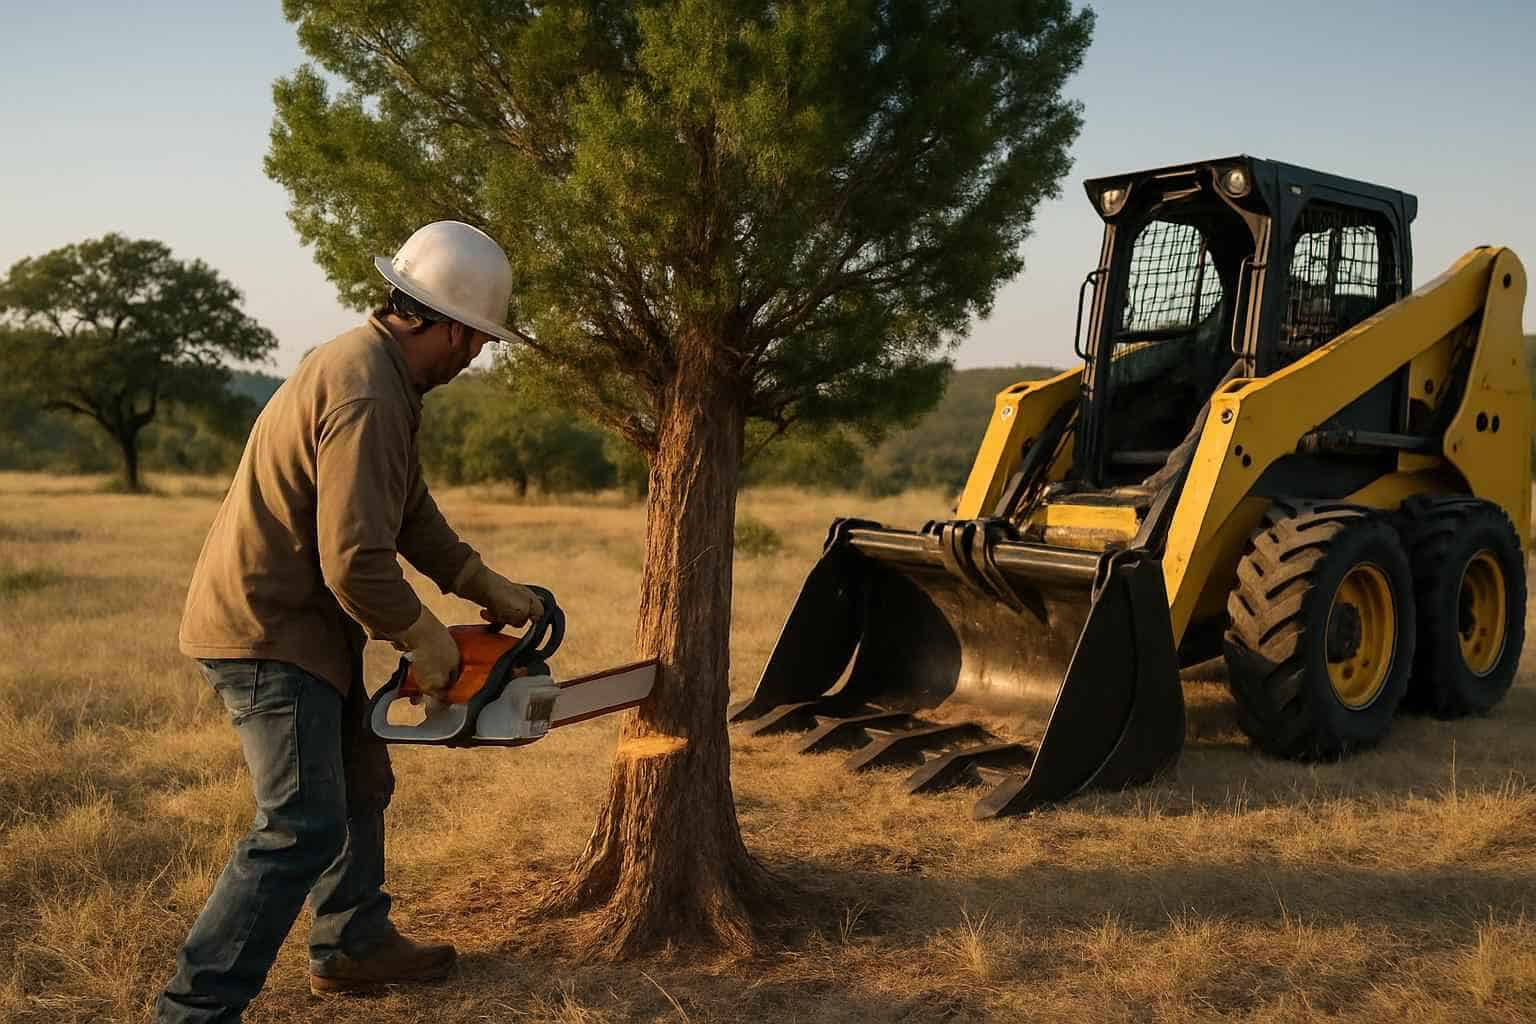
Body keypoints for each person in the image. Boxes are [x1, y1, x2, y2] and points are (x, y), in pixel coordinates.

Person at [156, 221, 541, 1021]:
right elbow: (354, 562)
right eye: (473, 340)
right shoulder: (368, 386)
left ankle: (354, 944)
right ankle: (194, 1009)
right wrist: (427, 639)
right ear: (442, 321)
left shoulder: (379, 373)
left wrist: (477, 578)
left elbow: (405, 509)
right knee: (300, 822)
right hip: (268, 630)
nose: (473, 358)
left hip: (306, 626)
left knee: (361, 781)